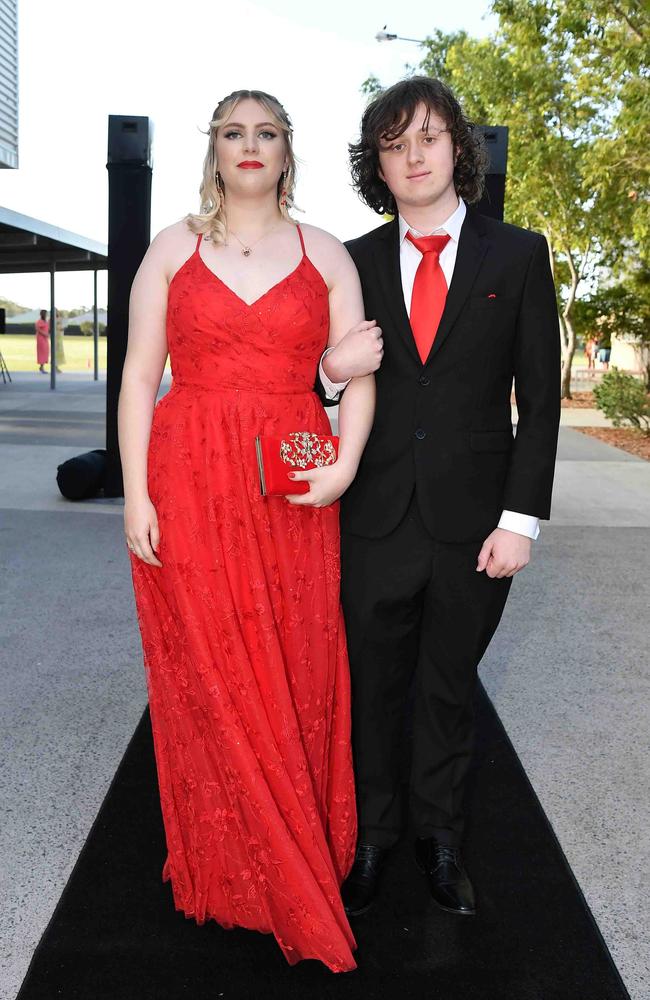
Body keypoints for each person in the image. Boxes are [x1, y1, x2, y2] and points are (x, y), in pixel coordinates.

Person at [118, 89, 378, 972]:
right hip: (186, 481)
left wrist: (343, 463)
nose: (251, 145)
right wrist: (134, 496)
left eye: (267, 132)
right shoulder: (169, 249)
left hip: (292, 487)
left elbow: (359, 368)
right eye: (235, 132)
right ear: (215, 150)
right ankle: (229, 867)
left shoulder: (329, 254)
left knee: (295, 662)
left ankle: (298, 849)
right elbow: (137, 381)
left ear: (286, 150)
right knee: (210, 669)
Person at [317, 77, 561, 920]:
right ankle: (375, 837)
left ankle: (441, 838)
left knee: (448, 688)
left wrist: (521, 520)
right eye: (393, 143)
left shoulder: (519, 254)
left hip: (476, 524)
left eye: (427, 137)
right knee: (374, 685)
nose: (413, 155)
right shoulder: (348, 261)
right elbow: (318, 385)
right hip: (373, 518)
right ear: (376, 166)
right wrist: (325, 373)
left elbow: (540, 398)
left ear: (459, 148)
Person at [35, 309, 49, 373]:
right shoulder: (39, 321)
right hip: (41, 339)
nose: (46, 315)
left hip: (45, 339)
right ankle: (42, 367)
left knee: (45, 352)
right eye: (45, 313)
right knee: (42, 352)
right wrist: (44, 334)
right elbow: (38, 329)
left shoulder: (46, 321)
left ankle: (41, 367)